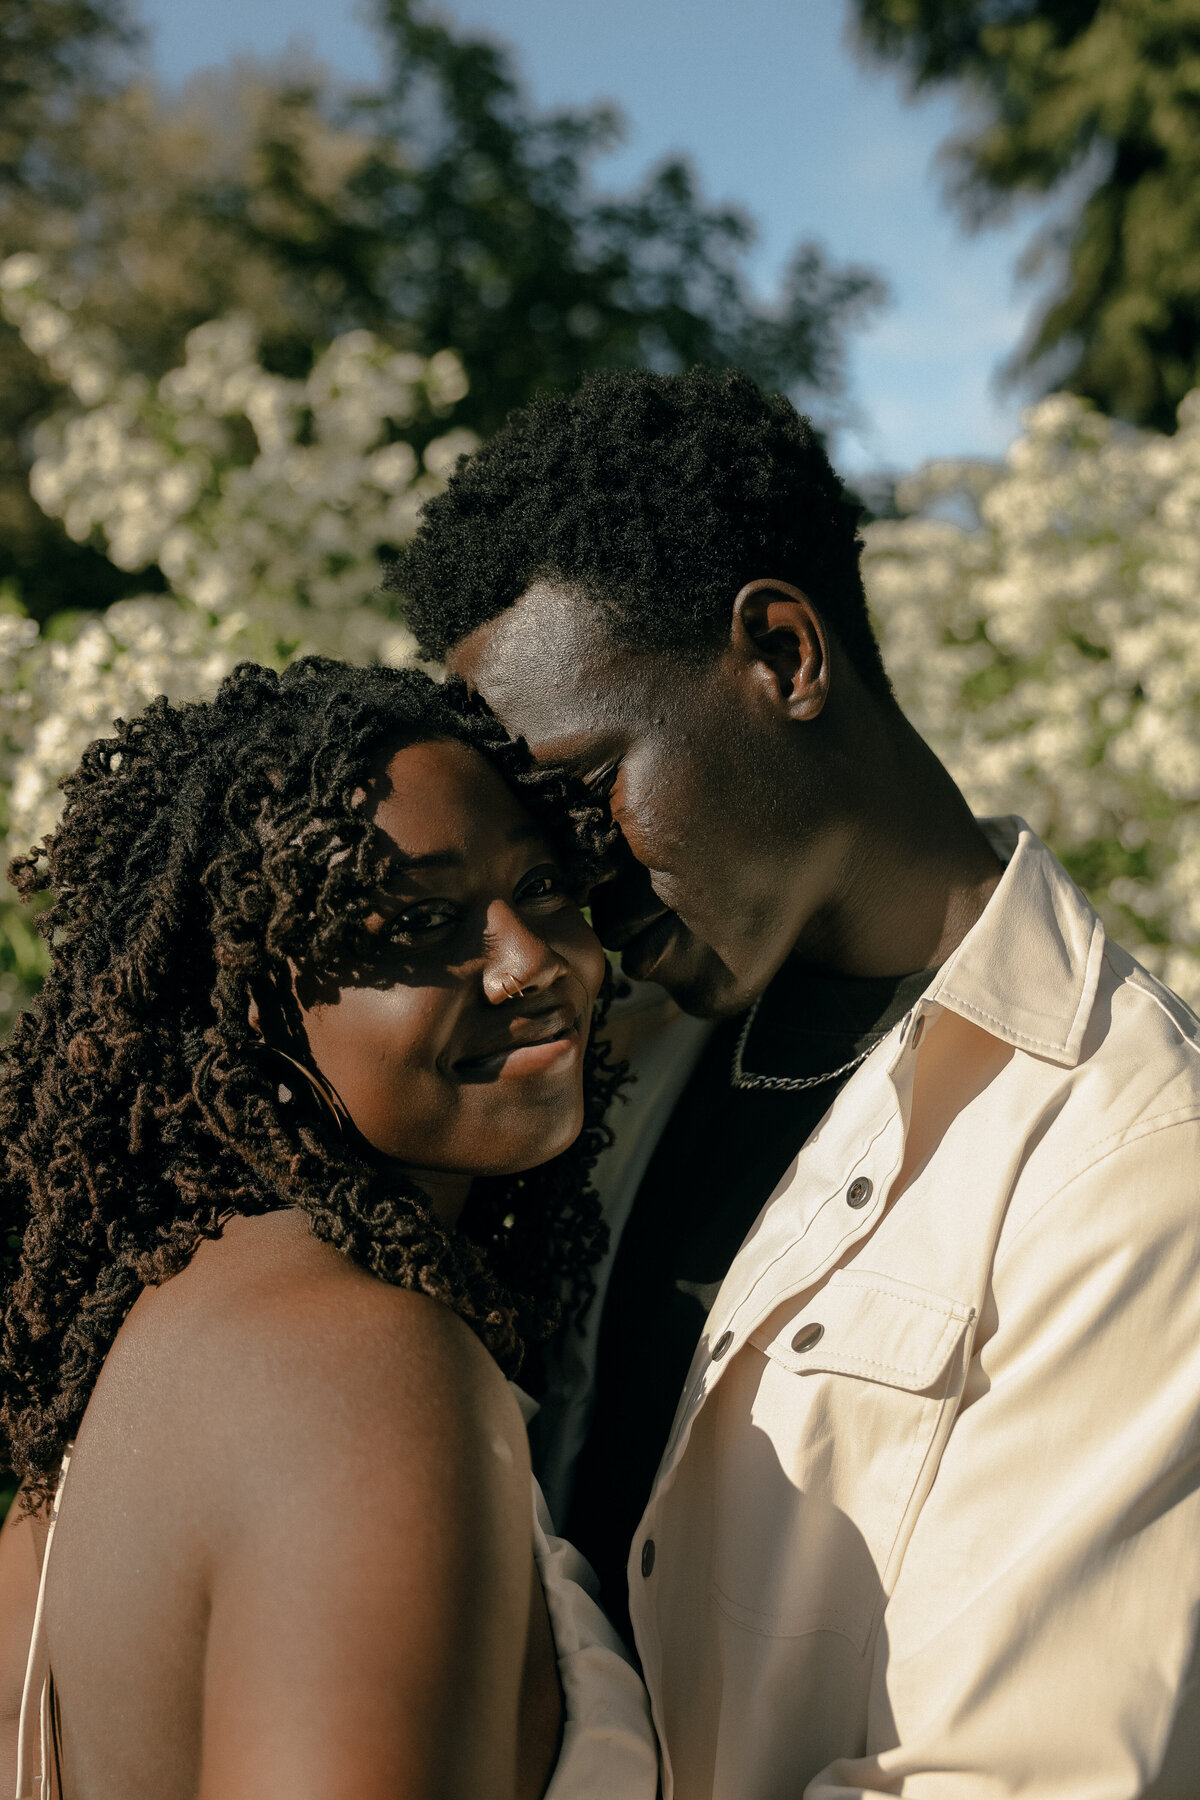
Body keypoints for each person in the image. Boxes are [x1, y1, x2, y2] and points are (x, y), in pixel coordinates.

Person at [393, 365, 1200, 1798]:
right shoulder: (615, 1053)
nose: (572, 881)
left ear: (782, 652)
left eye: (587, 797)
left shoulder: (1131, 1156)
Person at [0, 659, 658, 1800]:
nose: (531, 960)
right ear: (254, 998)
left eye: (544, 884)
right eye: (421, 922)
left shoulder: (103, 1414)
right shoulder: (361, 1369)